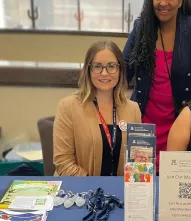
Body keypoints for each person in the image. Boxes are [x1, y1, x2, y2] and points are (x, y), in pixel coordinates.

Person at [123, 0, 191, 171]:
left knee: (175, 178)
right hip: (144, 122)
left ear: (181, 0)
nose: (163, 2)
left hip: (181, 122)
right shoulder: (141, 26)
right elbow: (124, 70)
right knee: (141, 182)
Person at [53, 41, 141, 176]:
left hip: (119, 193)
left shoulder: (133, 109)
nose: (104, 73)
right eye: (97, 66)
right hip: (81, 193)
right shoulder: (68, 106)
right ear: (88, 70)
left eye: (111, 66)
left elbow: (137, 162)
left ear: (120, 70)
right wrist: (96, 189)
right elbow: (63, 162)